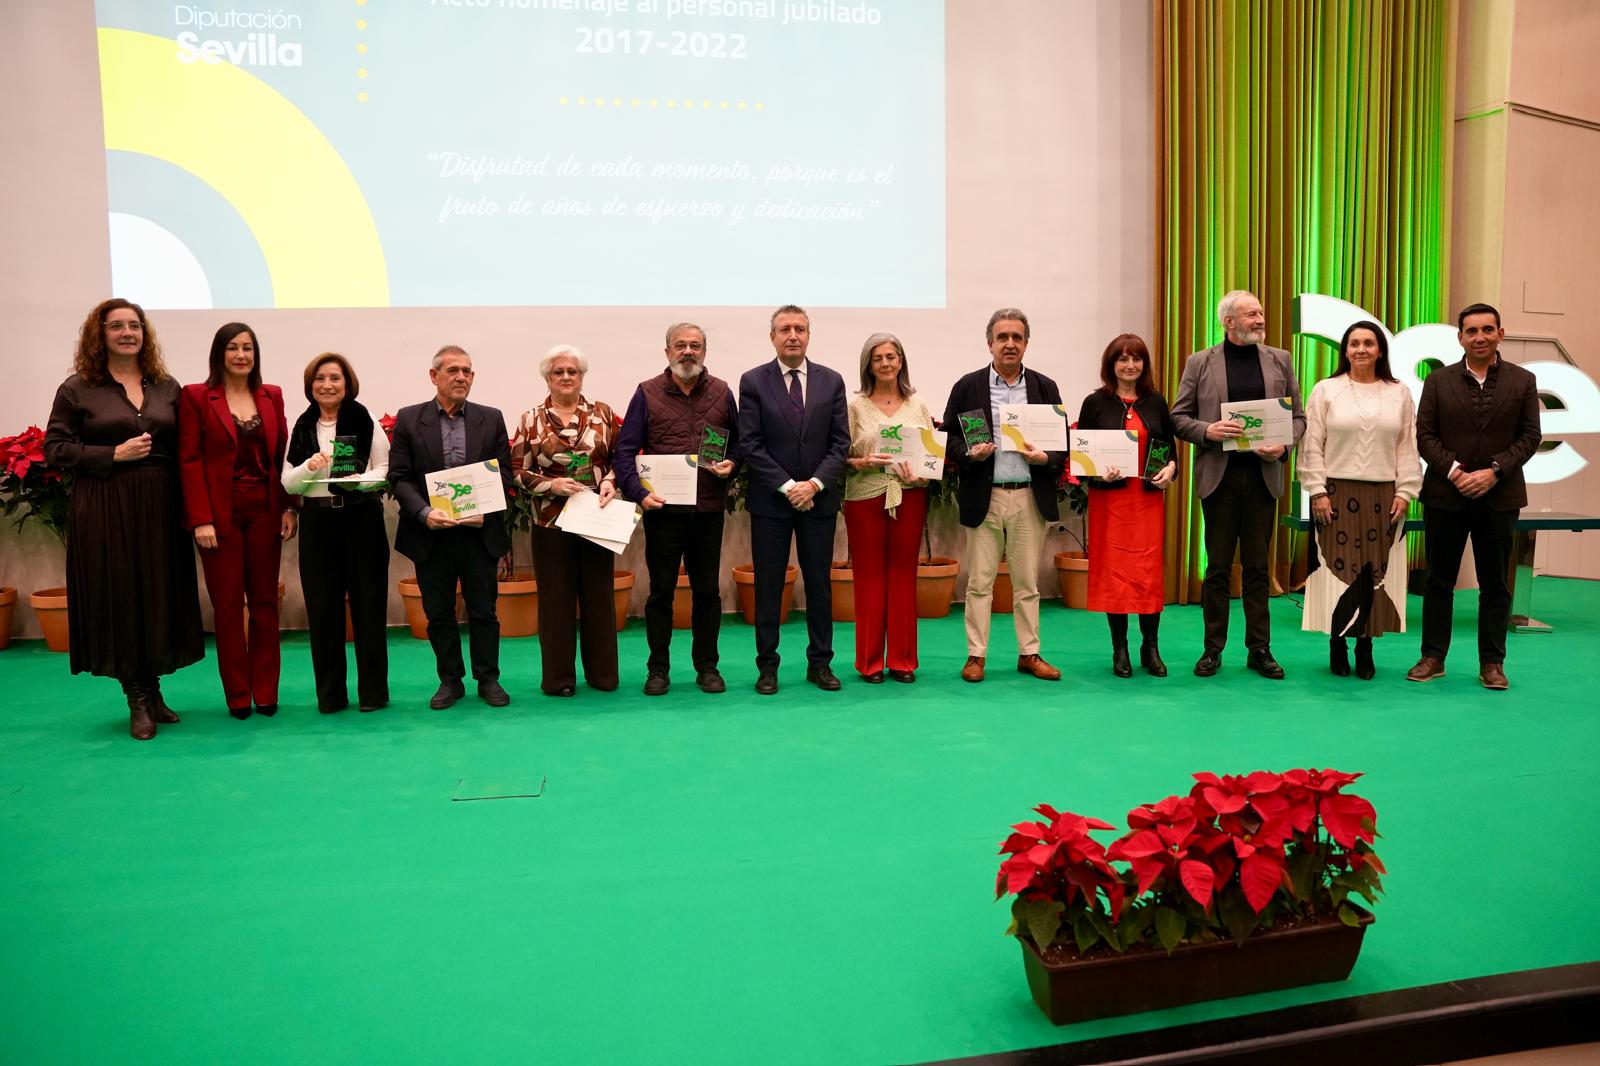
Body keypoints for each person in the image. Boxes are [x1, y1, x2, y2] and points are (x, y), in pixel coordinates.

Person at [44, 299, 205, 740]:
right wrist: (111, 454)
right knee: (121, 593)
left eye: (135, 325)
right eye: (116, 326)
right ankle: (136, 696)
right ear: (100, 335)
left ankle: (153, 689)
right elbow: (55, 450)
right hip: (105, 503)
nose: (127, 333)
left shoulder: (165, 385)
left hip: (159, 502)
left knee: (156, 591)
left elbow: (186, 447)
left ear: (144, 334)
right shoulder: (78, 388)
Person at [1171, 289, 1306, 680]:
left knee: (1258, 568)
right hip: (1220, 479)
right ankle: (1212, 649)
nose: (1260, 319)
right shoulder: (1200, 363)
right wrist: (1209, 430)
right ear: (1228, 321)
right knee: (1215, 569)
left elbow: (1298, 418)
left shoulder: (1280, 359)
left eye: (1261, 312)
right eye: (1251, 314)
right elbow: (1179, 417)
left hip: (1264, 479)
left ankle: (1259, 649)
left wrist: (1283, 445)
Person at [1408, 303, 1543, 690]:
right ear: (1461, 338)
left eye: (1487, 329)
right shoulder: (1437, 381)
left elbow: (1530, 436)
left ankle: (1492, 663)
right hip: (1445, 496)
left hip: (1499, 497)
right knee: (1438, 582)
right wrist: (1456, 472)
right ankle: (1433, 657)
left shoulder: (1523, 380)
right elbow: (1425, 436)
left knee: (1495, 585)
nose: (1480, 337)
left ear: (1501, 333)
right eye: (1471, 331)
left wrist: (1494, 471)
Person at [612, 323, 740, 696]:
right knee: (660, 593)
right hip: (663, 512)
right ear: (667, 351)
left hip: (708, 510)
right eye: (680, 345)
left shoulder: (721, 391)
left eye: (695, 346)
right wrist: (639, 494)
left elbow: (741, 443)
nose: (688, 352)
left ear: (705, 351)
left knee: (708, 593)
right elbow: (625, 451)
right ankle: (658, 669)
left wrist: (732, 463)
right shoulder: (647, 393)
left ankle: (708, 667)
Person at [941, 308, 1066, 683]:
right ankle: (975, 656)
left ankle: (1029, 653)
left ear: (1026, 343)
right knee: (980, 582)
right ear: (990, 343)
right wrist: (968, 453)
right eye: (1002, 337)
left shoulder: (1045, 387)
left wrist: (1046, 458)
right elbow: (948, 437)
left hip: (1029, 495)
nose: (1009, 344)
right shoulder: (968, 386)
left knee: (1027, 583)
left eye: (1017, 337)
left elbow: (1061, 444)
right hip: (986, 495)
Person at [178, 323, 295, 719]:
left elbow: (283, 457)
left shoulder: (271, 395)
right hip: (219, 515)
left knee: (264, 603)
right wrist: (201, 519)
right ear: (219, 354)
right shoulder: (197, 396)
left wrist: (288, 507)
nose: (241, 355)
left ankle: (266, 692)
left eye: (248, 348)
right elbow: (190, 460)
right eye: (233, 348)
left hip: (265, 508)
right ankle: (238, 695)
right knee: (227, 606)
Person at [389, 345, 514, 709]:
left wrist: (486, 511)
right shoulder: (410, 419)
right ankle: (450, 680)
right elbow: (399, 476)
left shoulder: (490, 418)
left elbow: (503, 472)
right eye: (453, 371)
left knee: (484, 612)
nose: (462, 377)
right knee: (438, 613)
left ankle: (488, 679)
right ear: (434, 377)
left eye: (468, 371)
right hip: (430, 534)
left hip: (478, 533)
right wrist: (424, 512)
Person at [737, 304, 850, 695]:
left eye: (800, 328)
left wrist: (814, 484)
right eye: (785, 329)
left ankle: (820, 664)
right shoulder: (752, 381)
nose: (793, 335)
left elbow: (840, 443)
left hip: (818, 501)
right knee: (769, 586)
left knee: (819, 585)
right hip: (771, 503)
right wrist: (788, 486)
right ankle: (767, 667)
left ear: (809, 335)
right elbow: (750, 444)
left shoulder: (831, 381)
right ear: (772, 336)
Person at [1300, 321, 1422, 680]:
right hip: (1335, 494)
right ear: (1345, 351)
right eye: (1354, 344)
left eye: (1369, 343)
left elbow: (1407, 444)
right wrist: (1317, 490)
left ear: (1380, 350)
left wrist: (1406, 490)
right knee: (1339, 576)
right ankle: (1337, 644)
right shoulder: (1326, 390)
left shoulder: (1398, 392)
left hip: (1384, 495)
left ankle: (1365, 646)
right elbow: (1312, 445)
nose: (1361, 349)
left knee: (1374, 574)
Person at [281, 352, 391, 712]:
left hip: (362, 520)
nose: (327, 385)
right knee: (323, 611)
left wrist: (359, 483)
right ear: (310, 386)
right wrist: (310, 467)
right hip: (318, 525)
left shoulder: (363, 418)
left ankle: (373, 694)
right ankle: (330, 696)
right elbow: (288, 482)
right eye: (320, 379)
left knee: (369, 609)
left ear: (347, 385)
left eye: (335, 379)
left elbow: (385, 468)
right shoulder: (302, 426)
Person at [510, 345, 622, 697]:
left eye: (573, 371)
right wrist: (551, 484)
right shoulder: (530, 419)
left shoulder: (603, 413)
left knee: (599, 598)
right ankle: (559, 680)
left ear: (582, 376)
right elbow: (516, 470)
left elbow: (624, 458)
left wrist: (610, 480)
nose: (566, 377)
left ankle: (603, 676)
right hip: (550, 521)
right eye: (558, 372)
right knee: (556, 602)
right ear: (547, 378)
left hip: (596, 519)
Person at [1075, 334, 1179, 678]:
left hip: (1147, 500)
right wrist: (1097, 474)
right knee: (1116, 576)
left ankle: (1150, 647)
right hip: (1111, 501)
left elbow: (1170, 451)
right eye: (1123, 359)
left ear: (1144, 365)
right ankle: (1119, 649)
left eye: (1136, 359)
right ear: (1111, 364)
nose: (1130, 365)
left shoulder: (1156, 401)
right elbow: (1082, 457)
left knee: (1147, 574)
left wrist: (1170, 470)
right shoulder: (1095, 403)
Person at [842, 332, 932, 683]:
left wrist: (923, 476)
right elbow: (842, 455)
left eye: (892, 356)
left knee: (902, 576)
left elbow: (930, 454)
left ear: (901, 361)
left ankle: (902, 661)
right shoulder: (855, 406)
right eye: (878, 357)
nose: (886, 363)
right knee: (869, 578)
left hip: (909, 495)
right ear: (868, 364)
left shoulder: (918, 404)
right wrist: (863, 461)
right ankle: (869, 662)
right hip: (865, 496)